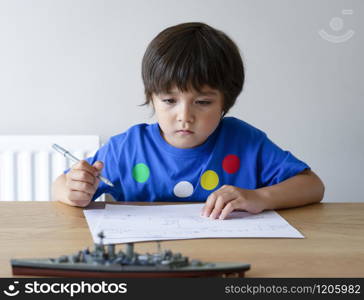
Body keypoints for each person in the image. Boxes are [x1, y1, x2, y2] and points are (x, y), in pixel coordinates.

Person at [52, 22, 325, 220]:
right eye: (169, 101)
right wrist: (74, 192)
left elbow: (313, 185)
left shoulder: (245, 142)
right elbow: (60, 186)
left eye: (203, 102)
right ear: (152, 98)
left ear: (225, 102)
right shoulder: (128, 147)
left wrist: (260, 198)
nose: (184, 116)